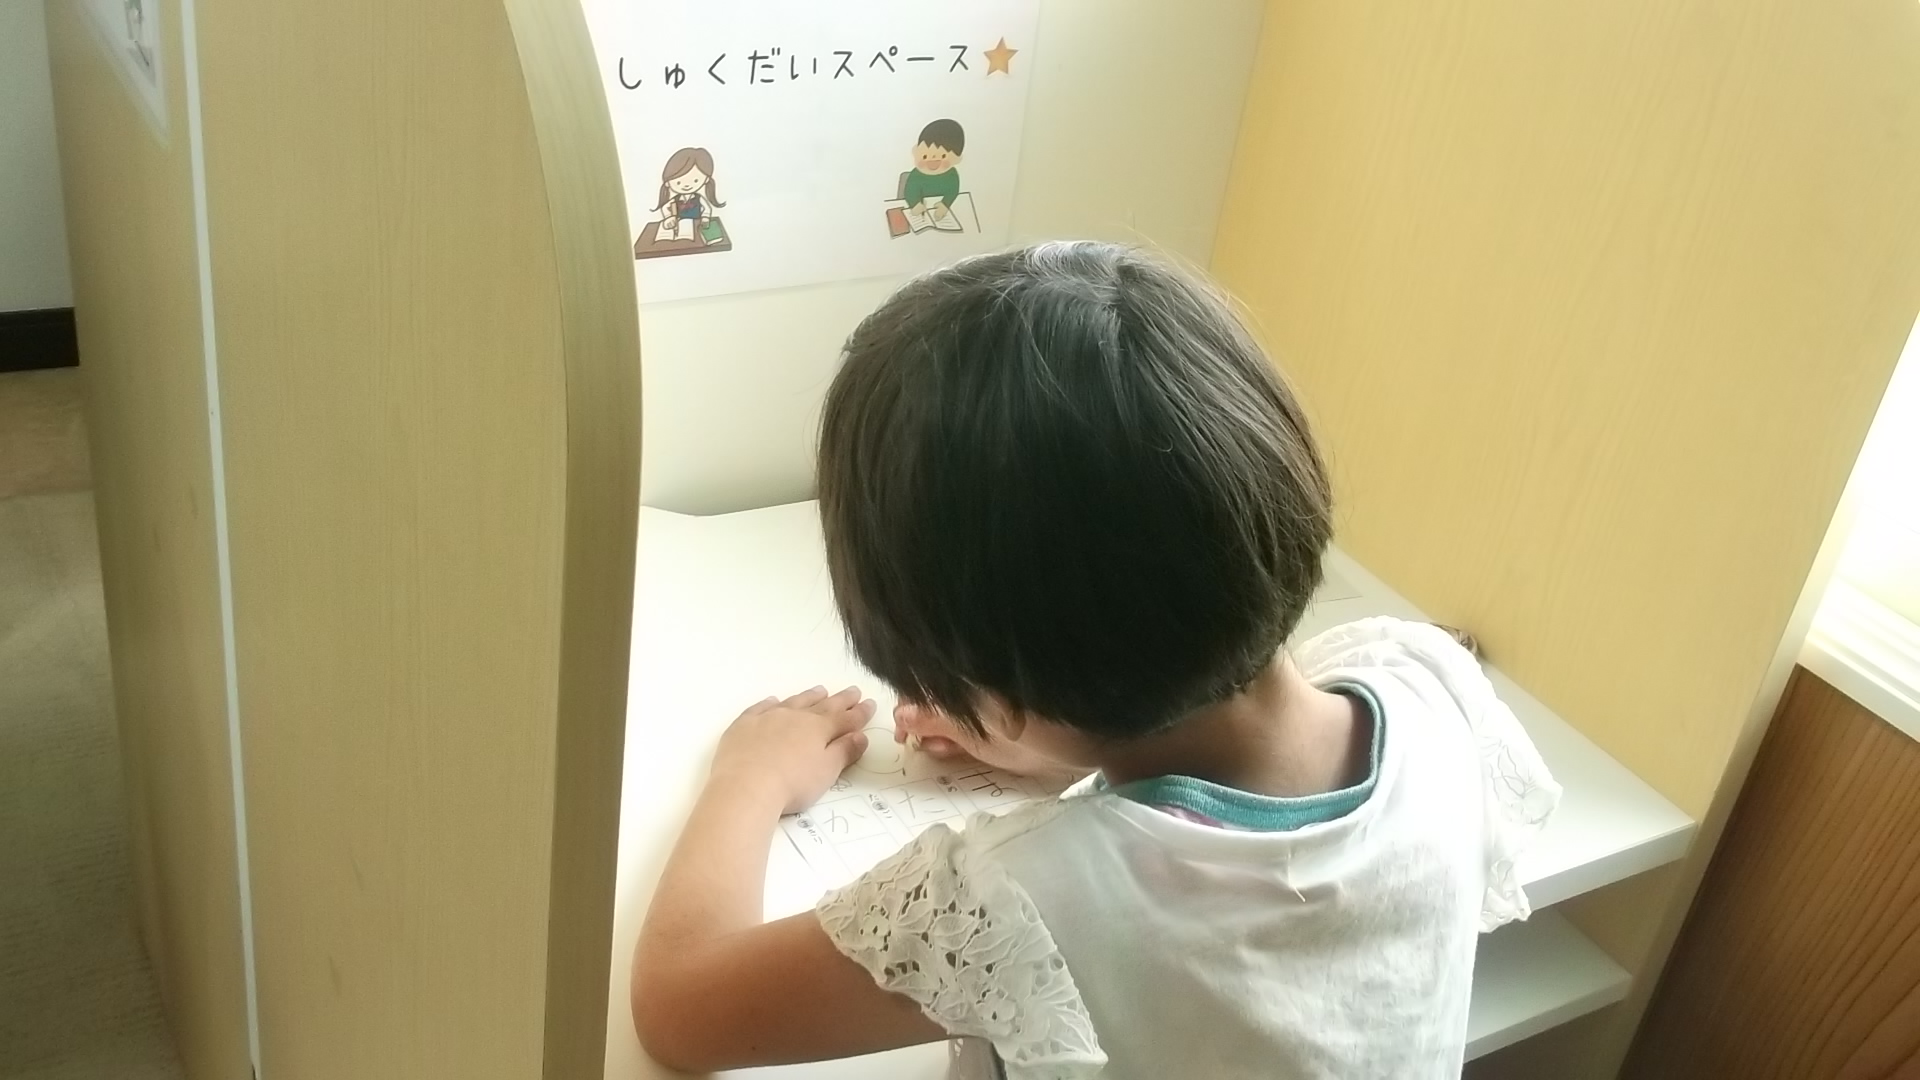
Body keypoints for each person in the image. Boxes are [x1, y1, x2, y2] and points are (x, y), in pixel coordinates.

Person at [631, 242, 1561, 1079]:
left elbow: (680, 1007)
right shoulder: (1431, 681)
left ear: (986, 683)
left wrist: (750, 778)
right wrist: (1044, 736)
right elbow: (1232, 762)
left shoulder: (1016, 898)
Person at [652, 147, 724, 243]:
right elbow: (665, 207)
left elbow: (707, 209)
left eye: (695, 180)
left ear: (706, 179)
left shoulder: (699, 198)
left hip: (696, 226)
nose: (686, 185)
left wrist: (705, 217)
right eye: (678, 182)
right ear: (667, 183)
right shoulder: (675, 199)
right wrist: (668, 217)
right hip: (679, 226)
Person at [903, 119, 965, 223]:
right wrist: (915, 204)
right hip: (921, 214)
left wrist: (945, 204)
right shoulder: (916, 174)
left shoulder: (951, 174)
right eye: (925, 156)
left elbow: (953, 191)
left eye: (943, 156)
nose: (932, 161)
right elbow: (910, 191)